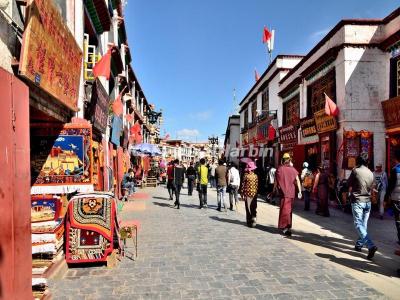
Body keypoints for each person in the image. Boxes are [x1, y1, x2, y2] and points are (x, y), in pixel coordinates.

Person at [347, 152, 377, 260]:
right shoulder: (370, 172)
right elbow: (373, 187)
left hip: (358, 201)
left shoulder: (355, 171)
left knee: (358, 224)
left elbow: (348, 183)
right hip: (367, 202)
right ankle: (359, 244)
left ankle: (370, 245)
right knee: (363, 224)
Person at [275, 153, 302, 236]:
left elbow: (276, 182)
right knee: (289, 210)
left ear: (283, 160)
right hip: (291, 193)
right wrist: (300, 191)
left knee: (284, 210)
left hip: (284, 193)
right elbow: (297, 180)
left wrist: (274, 190)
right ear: (289, 160)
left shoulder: (280, 169)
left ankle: (285, 227)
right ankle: (287, 226)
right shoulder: (293, 169)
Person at [240, 161, 258, 227]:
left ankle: (249, 221)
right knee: (253, 207)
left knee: (248, 208)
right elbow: (256, 185)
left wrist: (242, 194)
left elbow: (243, 185)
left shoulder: (246, 176)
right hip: (254, 194)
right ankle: (254, 219)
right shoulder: (256, 176)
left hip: (247, 194)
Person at [388, 149, 400, 245]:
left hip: (397, 198)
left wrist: (386, 198)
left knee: (398, 220)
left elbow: (391, 186)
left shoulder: (394, 170)